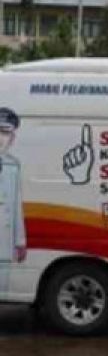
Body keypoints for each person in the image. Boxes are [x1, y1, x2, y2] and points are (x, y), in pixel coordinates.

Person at [0, 108, 25, 296]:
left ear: (12, 138)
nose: (0, 137)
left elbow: (16, 207)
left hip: (4, 242)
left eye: (5, 132)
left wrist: (20, 242)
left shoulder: (13, 166)